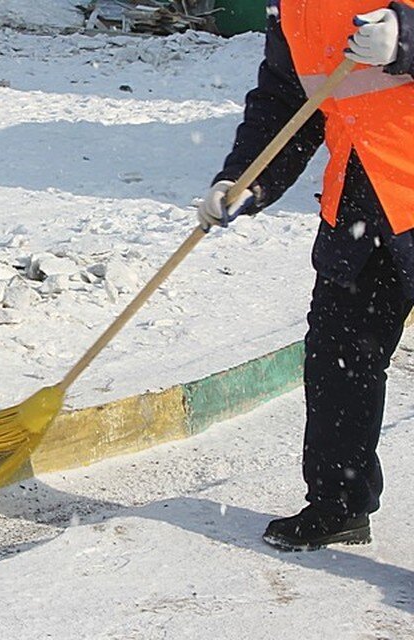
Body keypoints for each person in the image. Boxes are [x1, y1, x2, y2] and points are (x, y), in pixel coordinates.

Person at [197, 0, 414, 551]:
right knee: (340, 356)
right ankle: (339, 504)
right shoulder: (291, 6)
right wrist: (245, 179)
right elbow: (287, 101)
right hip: (361, 197)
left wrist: (409, 35)